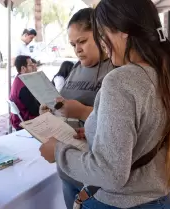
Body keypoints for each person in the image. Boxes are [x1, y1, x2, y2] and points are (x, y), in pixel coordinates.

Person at [39, 0, 170, 209]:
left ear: (123, 31)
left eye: (102, 33)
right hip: (161, 199)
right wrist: (97, 133)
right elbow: (147, 133)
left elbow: (110, 173)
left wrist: (59, 153)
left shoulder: (120, 80)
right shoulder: (167, 74)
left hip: (120, 203)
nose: (102, 41)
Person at [39, 8, 114, 208]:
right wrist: (52, 111)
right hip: (68, 167)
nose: (77, 49)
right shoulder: (75, 68)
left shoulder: (115, 70)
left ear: (101, 35)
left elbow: (120, 120)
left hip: (96, 175)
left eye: (82, 41)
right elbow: (65, 105)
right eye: (73, 44)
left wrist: (82, 111)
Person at [9, 55, 40, 130]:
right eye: (30, 65)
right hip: (26, 121)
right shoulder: (23, 86)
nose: (33, 66)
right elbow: (35, 111)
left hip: (20, 118)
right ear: (23, 68)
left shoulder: (19, 79)